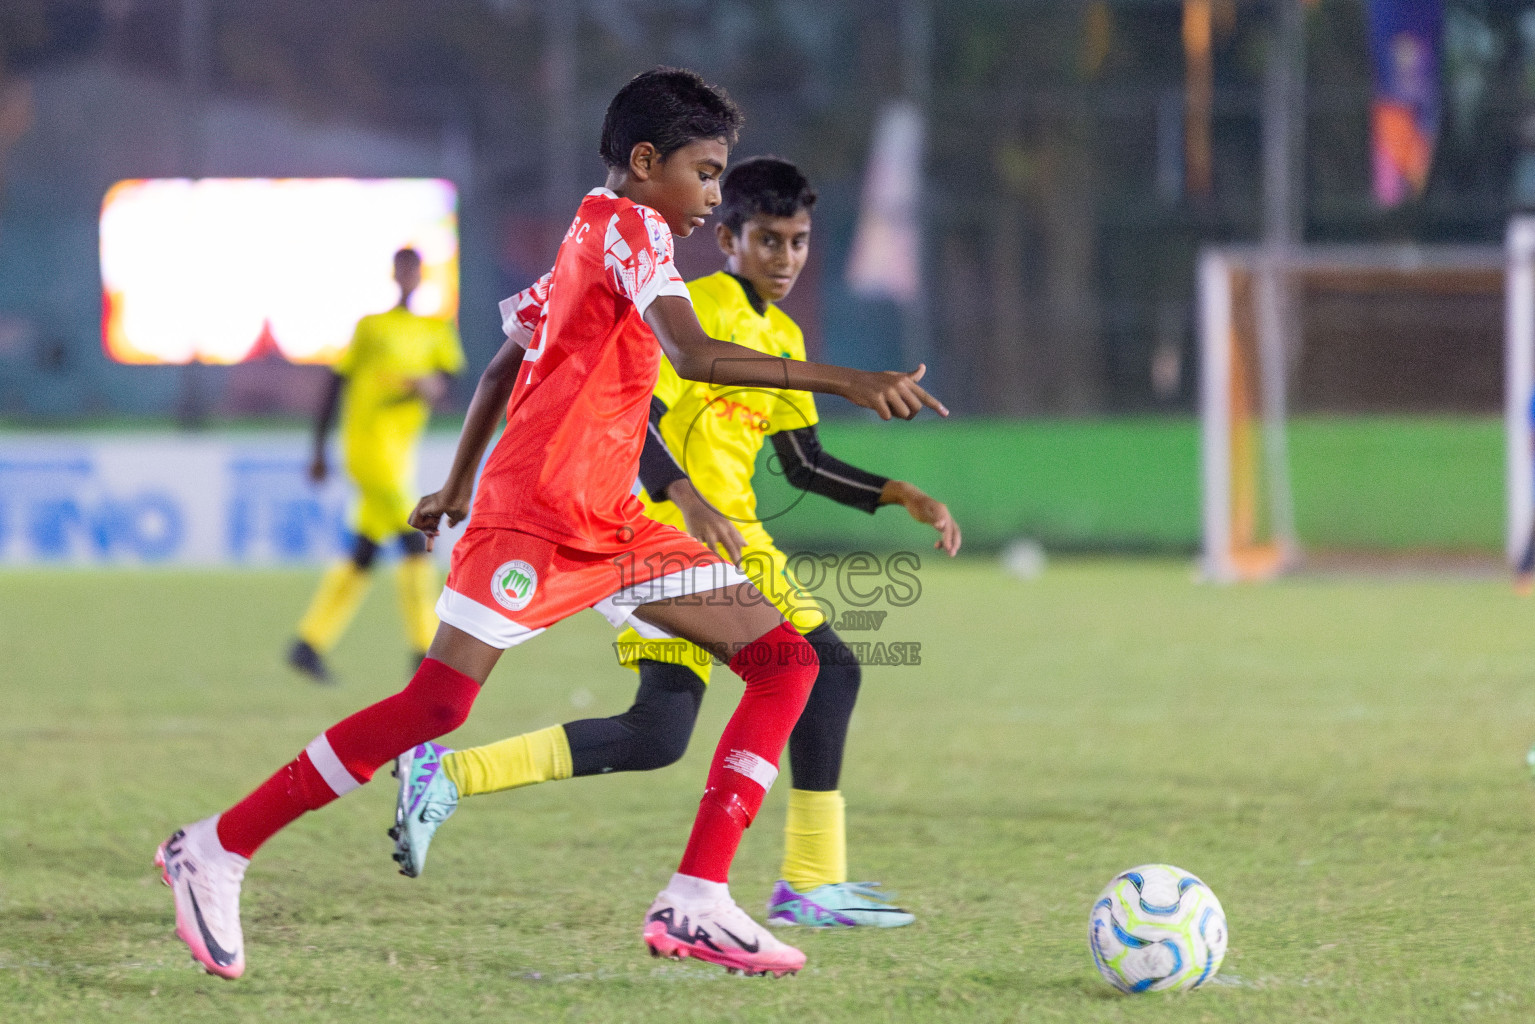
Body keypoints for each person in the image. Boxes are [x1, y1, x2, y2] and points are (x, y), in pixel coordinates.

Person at [154, 67, 946, 981]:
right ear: (645, 163)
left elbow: (500, 370)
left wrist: (452, 486)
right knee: (436, 706)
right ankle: (213, 848)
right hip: (537, 519)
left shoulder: (591, 231)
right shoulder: (634, 230)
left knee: (788, 661)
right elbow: (692, 354)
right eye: (704, 171)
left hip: (613, 521)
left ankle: (697, 897)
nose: (712, 196)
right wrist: (849, 381)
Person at [389, 157, 962, 932]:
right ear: (727, 238)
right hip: (672, 533)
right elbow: (639, 415)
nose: (784, 258)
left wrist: (901, 496)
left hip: (713, 542)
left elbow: (804, 464)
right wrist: (686, 496)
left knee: (656, 733)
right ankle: (809, 882)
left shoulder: (782, 332)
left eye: (796, 243)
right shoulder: (686, 309)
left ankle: (448, 775)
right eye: (766, 240)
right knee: (827, 668)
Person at [287, 248, 464, 681]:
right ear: (394, 275)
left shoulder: (435, 330)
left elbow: (454, 383)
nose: (408, 277)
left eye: (414, 271)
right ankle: (425, 650)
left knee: (364, 551)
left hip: (399, 454)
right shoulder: (370, 327)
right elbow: (336, 382)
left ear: (421, 277)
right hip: (367, 448)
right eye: (402, 270)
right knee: (415, 537)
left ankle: (308, 644)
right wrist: (318, 449)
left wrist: (435, 387)